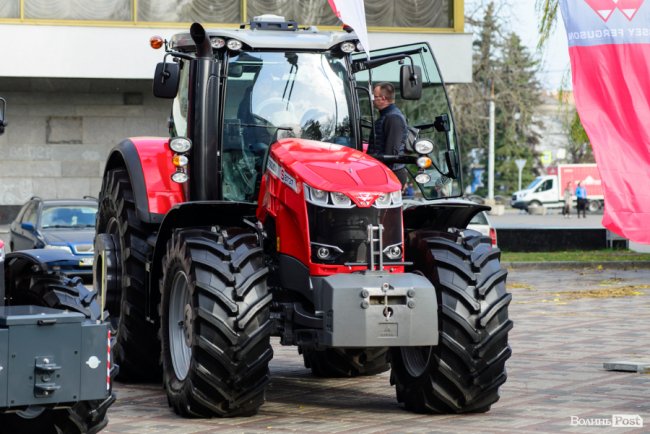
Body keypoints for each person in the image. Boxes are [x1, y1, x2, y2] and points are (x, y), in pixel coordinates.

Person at [370, 82, 409, 187]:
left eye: (375, 97)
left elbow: (391, 154)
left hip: (391, 174)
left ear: (383, 98)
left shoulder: (393, 118)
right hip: (387, 172)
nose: (372, 100)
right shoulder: (387, 116)